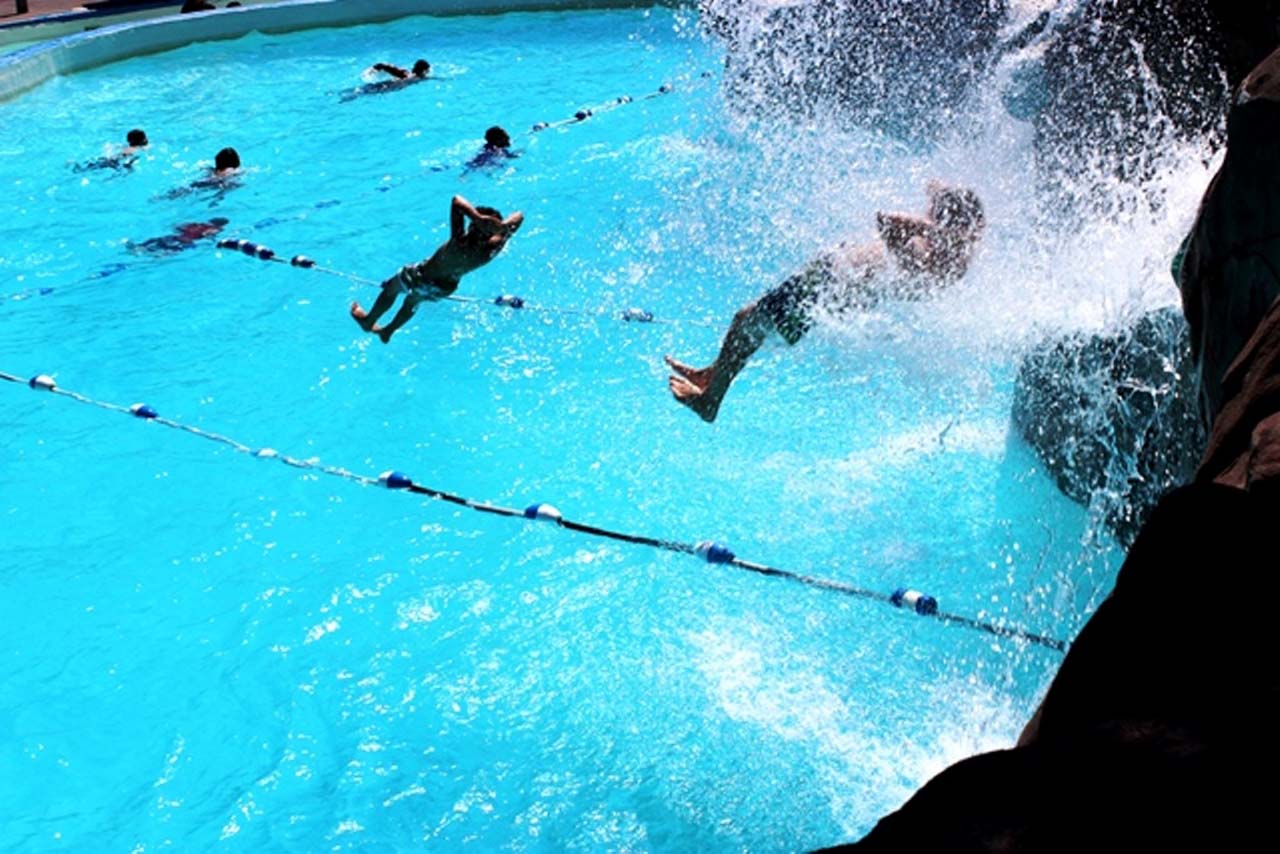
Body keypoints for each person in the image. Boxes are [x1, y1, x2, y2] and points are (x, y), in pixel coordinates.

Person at [665, 182, 985, 422]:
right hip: (831, 283)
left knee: (747, 320)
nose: (924, 212)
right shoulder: (950, 256)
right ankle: (712, 376)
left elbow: (886, 222)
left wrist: (935, 228)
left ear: (947, 221)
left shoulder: (937, 255)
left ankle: (711, 402)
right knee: (751, 323)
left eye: (933, 210)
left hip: (829, 289)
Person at [351, 195, 524, 342]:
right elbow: (519, 216)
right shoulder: (493, 248)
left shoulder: (459, 242)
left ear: (472, 227)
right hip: (443, 289)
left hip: (422, 276)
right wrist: (501, 226)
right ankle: (389, 331)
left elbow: (456, 201)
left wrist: (477, 217)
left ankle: (369, 321)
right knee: (411, 303)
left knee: (391, 289)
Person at [160, 147, 242, 200]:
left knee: (186, 189)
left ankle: (164, 197)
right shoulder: (232, 171)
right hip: (214, 181)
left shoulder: (213, 169)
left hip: (210, 178)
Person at [130, 217, 229, 255]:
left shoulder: (188, 247)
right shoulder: (166, 237)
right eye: (195, 223)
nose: (194, 224)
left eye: (201, 225)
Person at [342, 59, 431, 100]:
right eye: (427, 71)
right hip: (388, 88)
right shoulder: (419, 78)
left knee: (360, 90)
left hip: (386, 84)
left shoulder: (405, 73)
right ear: (424, 71)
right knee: (358, 94)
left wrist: (371, 70)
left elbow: (383, 65)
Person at [73, 128, 149, 172]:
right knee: (85, 170)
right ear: (142, 140)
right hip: (113, 163)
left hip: (111, 159)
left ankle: (74, 164)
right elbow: (127, 163)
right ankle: (74, 164)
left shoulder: (127, 147)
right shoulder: (135, 150)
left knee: (89, 167)